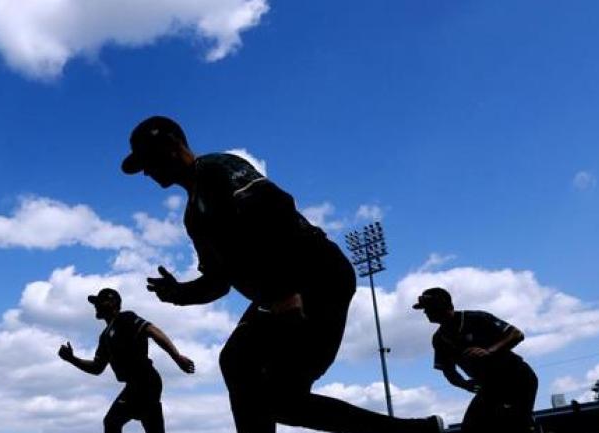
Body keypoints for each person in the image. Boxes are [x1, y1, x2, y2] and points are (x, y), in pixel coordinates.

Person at [122, 115, 443, 433]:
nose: (146, 172)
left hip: (316, 275)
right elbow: (219, 282)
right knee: (248, 372)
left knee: (264, 385)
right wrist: (180, 293)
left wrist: (284, 292)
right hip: (280, 291)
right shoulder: (194, 216)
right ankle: (415, 432)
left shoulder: (216, 168)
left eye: (147, 160)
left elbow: (274, 207)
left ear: (171, 145)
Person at [58, 288, 195, 433]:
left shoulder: (125, 318)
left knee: (111, 422)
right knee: (122, 423)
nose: (96, 305)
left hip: (146, 381)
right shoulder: (104, 337)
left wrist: (177, 357)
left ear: (112, 303)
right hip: (136, 385)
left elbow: (153, 331)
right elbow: (97, 368)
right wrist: (72, 359)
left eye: (99, 301)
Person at [414, 287, 538, 433]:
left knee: (515, 424)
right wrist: (465, 384)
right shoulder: (439, 339)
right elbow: (449, 371)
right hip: (490, 386)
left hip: (518, 378)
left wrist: (489, 351)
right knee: (471, 428)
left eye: (427, 308)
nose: (425, 312)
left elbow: (516, 334)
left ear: (440, 305)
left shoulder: (476, 318)